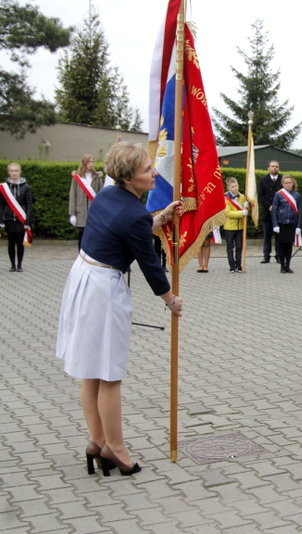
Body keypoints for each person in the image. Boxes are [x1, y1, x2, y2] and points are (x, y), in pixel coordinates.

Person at [54, 142, 184, 477]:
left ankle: (96, 442)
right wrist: (171, 300)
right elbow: (150, 264)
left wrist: (160, 218)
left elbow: (129, 230)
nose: (154, 173)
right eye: (146, 169)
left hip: (83, 276)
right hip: (102, 288)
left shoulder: (108, 197)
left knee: (91, 369)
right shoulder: (132, 213)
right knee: (110, 373)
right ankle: (117, 449)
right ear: (129, 178)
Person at [69, 154, 111, 250]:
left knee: (92, 236)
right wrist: (72, 213)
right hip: (81, 212)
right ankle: (81, 256)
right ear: (84, 163)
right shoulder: (77, 177)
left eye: (92, 162)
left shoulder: (97, 176)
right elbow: (73, 195)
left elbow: (101, 193)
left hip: (93, 211)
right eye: (89, 162)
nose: (91, 164)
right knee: (82, 236)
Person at [0, 163, 34, 272]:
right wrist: (1, 219)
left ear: (20, 172)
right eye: (11, 171)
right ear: (8, 172)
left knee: (20, 243)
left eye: (16, 171)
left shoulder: (26, 186)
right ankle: (12, 265)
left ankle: (19, 265)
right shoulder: (4, 187)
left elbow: (29, 204)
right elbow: (1, 205)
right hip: (9, 219)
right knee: (11, 242)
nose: (14, 173)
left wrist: (27, 220)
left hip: (21, 219)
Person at [271, 175, 301, 274]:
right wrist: (275, 224)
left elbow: (299, 212)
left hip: (292, 224)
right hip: (281, 224)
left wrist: (298, 226)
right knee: (281, 246)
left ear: (293, 183)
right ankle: (282, 266)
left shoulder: (297, 195)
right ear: (283, 184)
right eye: (286, 183)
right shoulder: (278, 194)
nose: (289, 184)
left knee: (289, 246)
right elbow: (274, 210)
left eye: (290, 182)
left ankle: (288, 266)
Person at [223, 177, 249, 273]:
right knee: (230, 247)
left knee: (239, 246)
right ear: (229, 187)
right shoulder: (225, 198)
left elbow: (245, 210)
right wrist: (242, 213)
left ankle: (238, 265)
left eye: (236, 185)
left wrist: (247, 207)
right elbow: (228, 213)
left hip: (240, 227)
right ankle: (232, 266)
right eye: (233, 186)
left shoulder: (242, 197)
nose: (235, 188)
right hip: (229, 227)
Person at [258, 160, 283, 264]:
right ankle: (266, 256)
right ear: (268, 168)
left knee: (279, 236)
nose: (274, 168)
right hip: (267, 213)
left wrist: (277, 206)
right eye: (272, 166)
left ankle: (279, 256)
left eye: (276, 166)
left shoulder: (283, 180)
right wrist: (269, 206)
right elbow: (261, 195)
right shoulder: (263, 180)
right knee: (267, 236)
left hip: (279, 214)